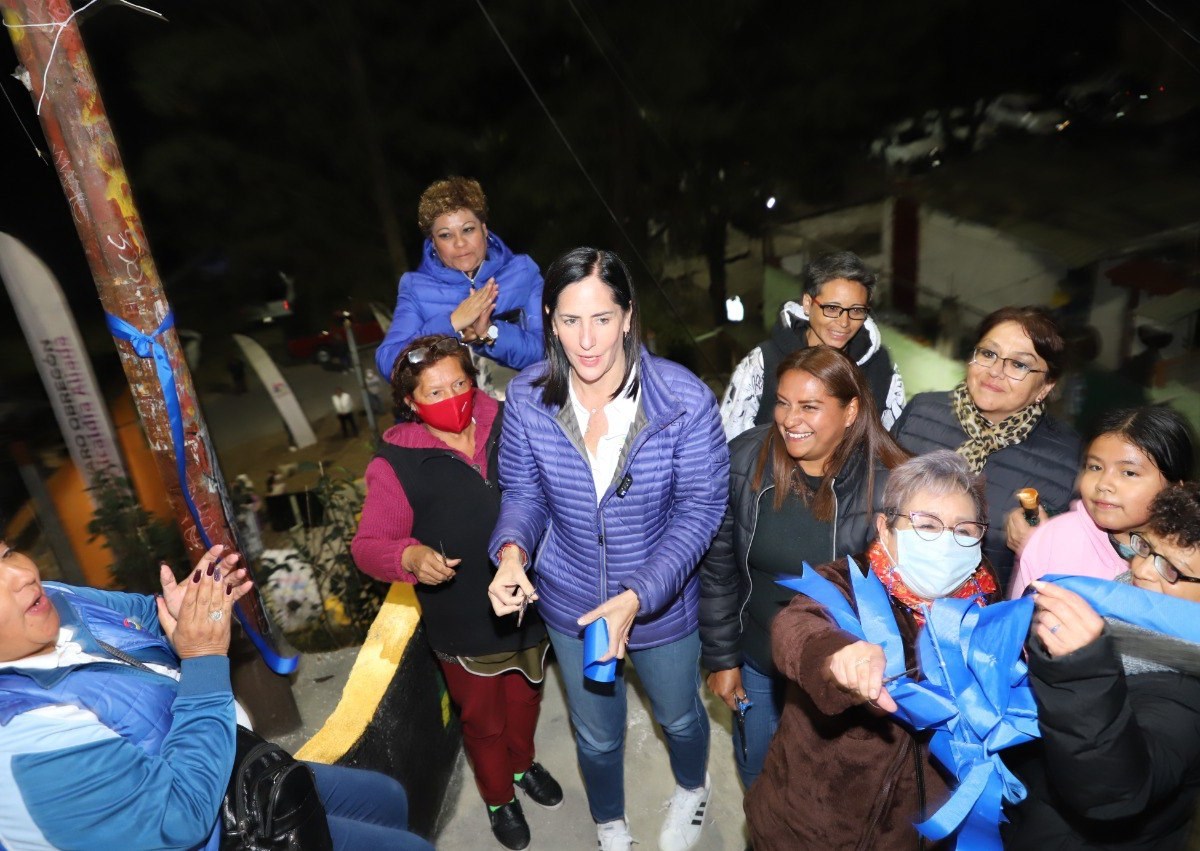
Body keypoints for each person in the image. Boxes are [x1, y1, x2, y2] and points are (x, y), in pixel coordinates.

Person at [486, 247, 729, 851]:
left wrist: (638, 594)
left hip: (661, 607)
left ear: (627, 316)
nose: (586, 340)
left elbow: (700, 511)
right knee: (596, 736)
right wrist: (512, 551)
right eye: (570, 320)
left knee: (679, 715)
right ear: (549, 319)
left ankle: (693, 790)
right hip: (572, 605)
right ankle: (610, 826)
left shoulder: (683, 401)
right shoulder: (527, 398)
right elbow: (523, 491)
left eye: (601, 318)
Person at [0, 542, 434, 851]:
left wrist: (183, 607)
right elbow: (178, 820)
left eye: (6, 553)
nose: (24, 575)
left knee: (385, 797)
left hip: (230, 759)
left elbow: (142, 615)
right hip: (213, 829)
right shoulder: (22, 739)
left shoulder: (55, 597)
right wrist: (204, 657)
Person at [352, 334, 560, 851]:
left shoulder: (511, 421)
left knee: (527, 695)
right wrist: (409, 557)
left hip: (527, 598)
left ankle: (522, 764)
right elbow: (368, 544)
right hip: (461, 616)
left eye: (460, 383)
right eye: (435, 392)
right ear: (410, 402)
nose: (453, 398)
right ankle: (498, 798)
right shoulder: (395, 464)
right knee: (482, 718)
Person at [744, 451, 1000, 849]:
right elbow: (794, 628)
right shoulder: (846, 582)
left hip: (910, 836)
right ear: (886, 527)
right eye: (927, 525)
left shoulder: (986, 610)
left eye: (964, 530)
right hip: (804, 829)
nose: (947, 543)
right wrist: (835, 656)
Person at [700, 345, 909, 789]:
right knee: (756, 769)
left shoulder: (891, 488)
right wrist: (722, 658)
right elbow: (718, 568)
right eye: (783, 402)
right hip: (758, 661)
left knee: (820, 788)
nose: (790, 419)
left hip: (837, 675)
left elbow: (903, 607)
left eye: (810, 407)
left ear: (851, 410)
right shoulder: (746, 459)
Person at [1004, 482, 1200, 848]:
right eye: (1145, 547)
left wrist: (1083, 670)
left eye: (1171, 569)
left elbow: (1113, 792)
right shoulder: (1112, 601)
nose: (1141, 569)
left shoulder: (1187, 692)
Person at [891, 305, 1082, 588]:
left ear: (1045, 386)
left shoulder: (1067, 458)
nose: (995, 371)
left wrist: (1041, 545)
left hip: (984, 614)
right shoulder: (921, 412)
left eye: (1018, 364)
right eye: (988, 354)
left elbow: (1071, 567)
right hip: (891, 588)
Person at [375, 176, 545, 392]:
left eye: (467, 229)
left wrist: (490, 332)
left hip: (528, 412)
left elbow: (547, 352)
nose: (460, 243)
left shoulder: (523, 272)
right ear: (434, 243)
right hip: (458, 421)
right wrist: (451, 324)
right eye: (445, 235)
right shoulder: (416, 288)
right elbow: (390, 364)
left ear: (483, 229)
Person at [1009, 405, 1196, 596]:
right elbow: (1017, 617)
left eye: (1129, 472)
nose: (1103, 484)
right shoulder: (1054, 539)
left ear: (1175, 489)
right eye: (1095, 467)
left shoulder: (1190, 562)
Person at [719, 250, 906, 440]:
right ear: (808, 304)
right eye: (832, 308)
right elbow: (730, 443)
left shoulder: (881, 367)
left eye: (856, 310)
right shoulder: (763, 363)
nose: (844, 322)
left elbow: (891, 446)